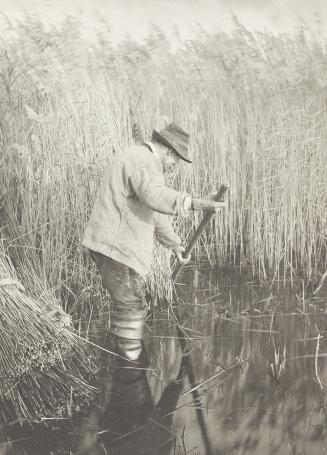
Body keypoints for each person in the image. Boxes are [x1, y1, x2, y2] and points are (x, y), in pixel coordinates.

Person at [78, 123, 225, 454]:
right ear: (169, 151)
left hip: (118, 251)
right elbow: (157, 197)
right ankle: (127, 364)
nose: (175, 165)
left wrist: (175, 245)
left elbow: (155, 213)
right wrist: (198, 204)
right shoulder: (141, 160)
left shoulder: (146, 166)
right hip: (116, 250)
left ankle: (126, 362)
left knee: (130, 306)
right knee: (132, 306)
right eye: (177, 159)